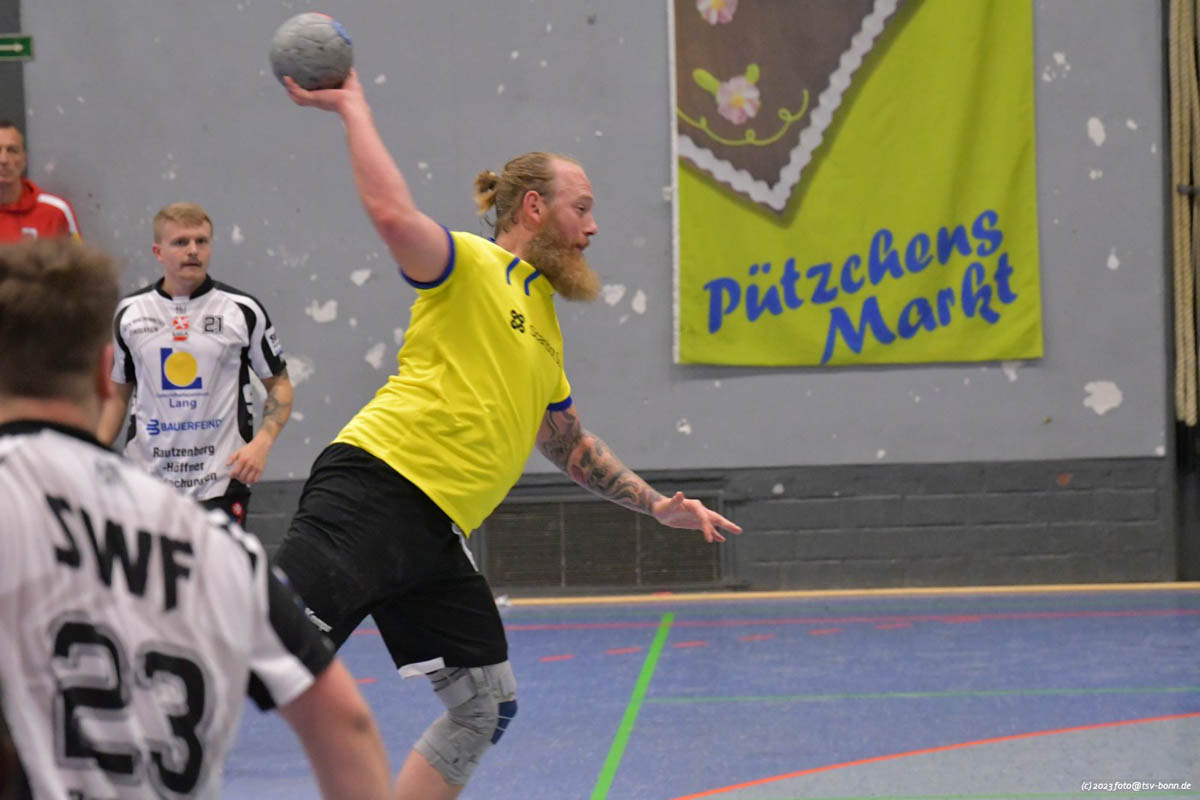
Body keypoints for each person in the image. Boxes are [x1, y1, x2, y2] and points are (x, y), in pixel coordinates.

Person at [274, 69, 743, 799]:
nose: (592, 228)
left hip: (435, 533)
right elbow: (393, 217)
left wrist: (657, 505)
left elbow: (570, 445)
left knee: (484, 706)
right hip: (374, 491)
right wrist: (353, 108)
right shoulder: (469, 264)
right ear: (534, 206)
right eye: (581, 209)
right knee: (251, 661)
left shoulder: (544, 322)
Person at [0, 237, 393, 799]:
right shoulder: (219, 548)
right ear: (104, 372)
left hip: (212, 478)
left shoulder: (238, 310)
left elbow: (277, 384)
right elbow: (347, 725)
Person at [97, 202, 293, 527]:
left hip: (222, 481)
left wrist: (262, 443)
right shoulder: (129, 313)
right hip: (148, 482)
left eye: (201, 241)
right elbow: (118, 396)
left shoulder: (242, 310)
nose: (192, 250)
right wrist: (93, 453)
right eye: (180, 242)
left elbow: (280, 385)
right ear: (158, 252)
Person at [0, 120, 81, 242]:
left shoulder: (56, 211)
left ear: (24, 159)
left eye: (12, 150)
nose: (4, 160)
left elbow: (76, 255)